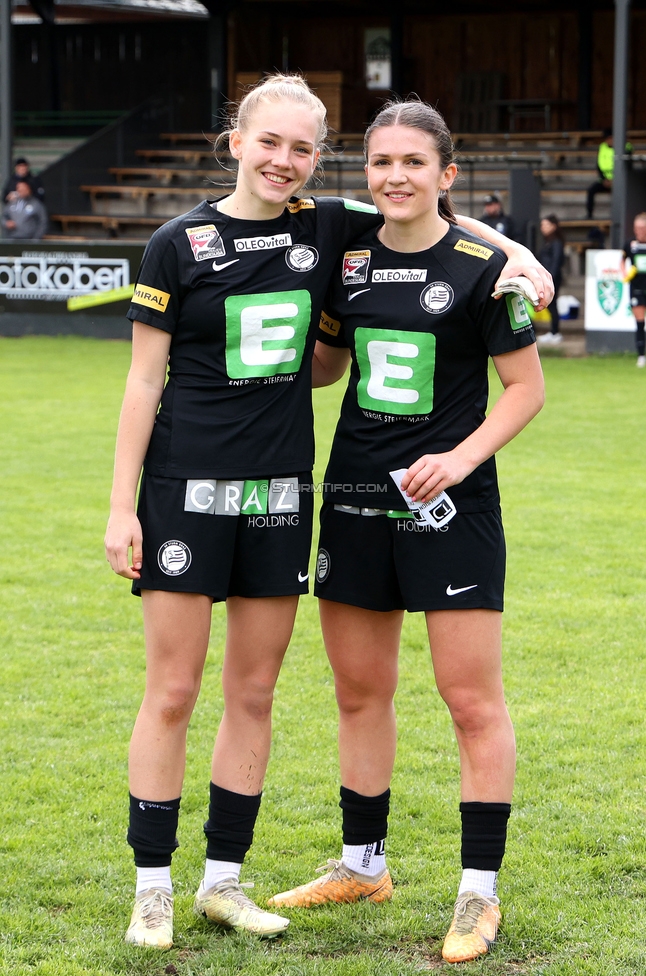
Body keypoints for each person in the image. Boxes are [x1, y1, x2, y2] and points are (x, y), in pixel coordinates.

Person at [104, 74, 552, 951]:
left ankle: (444, 890)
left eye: (302, 148)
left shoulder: (359, 238)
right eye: (268, 142)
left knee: (307, 692)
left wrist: (516, 253)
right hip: (259, 496)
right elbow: (163, 377)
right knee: (227, 691)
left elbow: (437, 230)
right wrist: (121, 505)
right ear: (234, 140)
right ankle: (201, 881)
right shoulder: (227, 243)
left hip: (345, 501)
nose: (283, 160)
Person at [267, 99, 545, 966]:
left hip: (450, 508)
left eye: (413, 163)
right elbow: (328, 364)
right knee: (359, 694)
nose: (394, 176)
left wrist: (460, 459)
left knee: (470, 702)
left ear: (446, 176)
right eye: (381, 161)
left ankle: (479, 894)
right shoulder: (344, 260)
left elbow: (527, 390)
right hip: (351, 494)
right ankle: (363, 864)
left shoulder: (482, 266)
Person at [622, 212, 646, 367]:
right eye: (636, 227)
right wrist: (624, 273)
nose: (638, 231)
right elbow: (622, 260)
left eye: (642, 227)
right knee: (640, 322)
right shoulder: (629, 244)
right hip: (636, 287)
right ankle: (641, 355)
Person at [536, 214, 564, 344]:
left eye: (546, 225)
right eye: (542, 225)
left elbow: (556, 261)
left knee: (552, 304)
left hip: (551, 278)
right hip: (546, 277)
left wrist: (549, 277)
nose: (543, 228)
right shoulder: (548, 242)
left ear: (553, 226)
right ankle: (553, 331)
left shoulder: (556, 243)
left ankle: (555, 332)